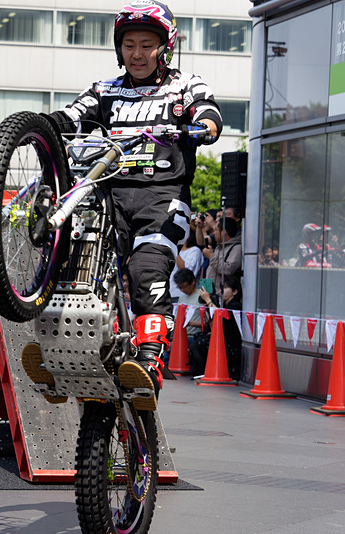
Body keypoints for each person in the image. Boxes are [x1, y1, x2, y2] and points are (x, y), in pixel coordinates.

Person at [45, 0, 222, 409]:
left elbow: (209, 114)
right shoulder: (104, 90)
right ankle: (59, 355)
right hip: (109, 196)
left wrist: (202, 127)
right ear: (118, 47)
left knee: (145, 270)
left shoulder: (185, 85)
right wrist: (42, 124)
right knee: (71, 264)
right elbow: (72, 116)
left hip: (164, 197)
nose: (137, 53)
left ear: (166, 47)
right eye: (128, 45)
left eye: (147, 44)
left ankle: (149, 361)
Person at [204, 216, 241, 299]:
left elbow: (228, 269)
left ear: (224, 232)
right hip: (210, 295)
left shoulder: (236, 248)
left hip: (222, 298)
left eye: (216, 230)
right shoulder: (219, 246)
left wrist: (211, 256)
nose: (214, 233)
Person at [169, 229, 204, 303]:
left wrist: (175, 249)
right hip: (170, 293)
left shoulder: (194, 250)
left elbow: (185, 271)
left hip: (182, 294)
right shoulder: (172, 250)